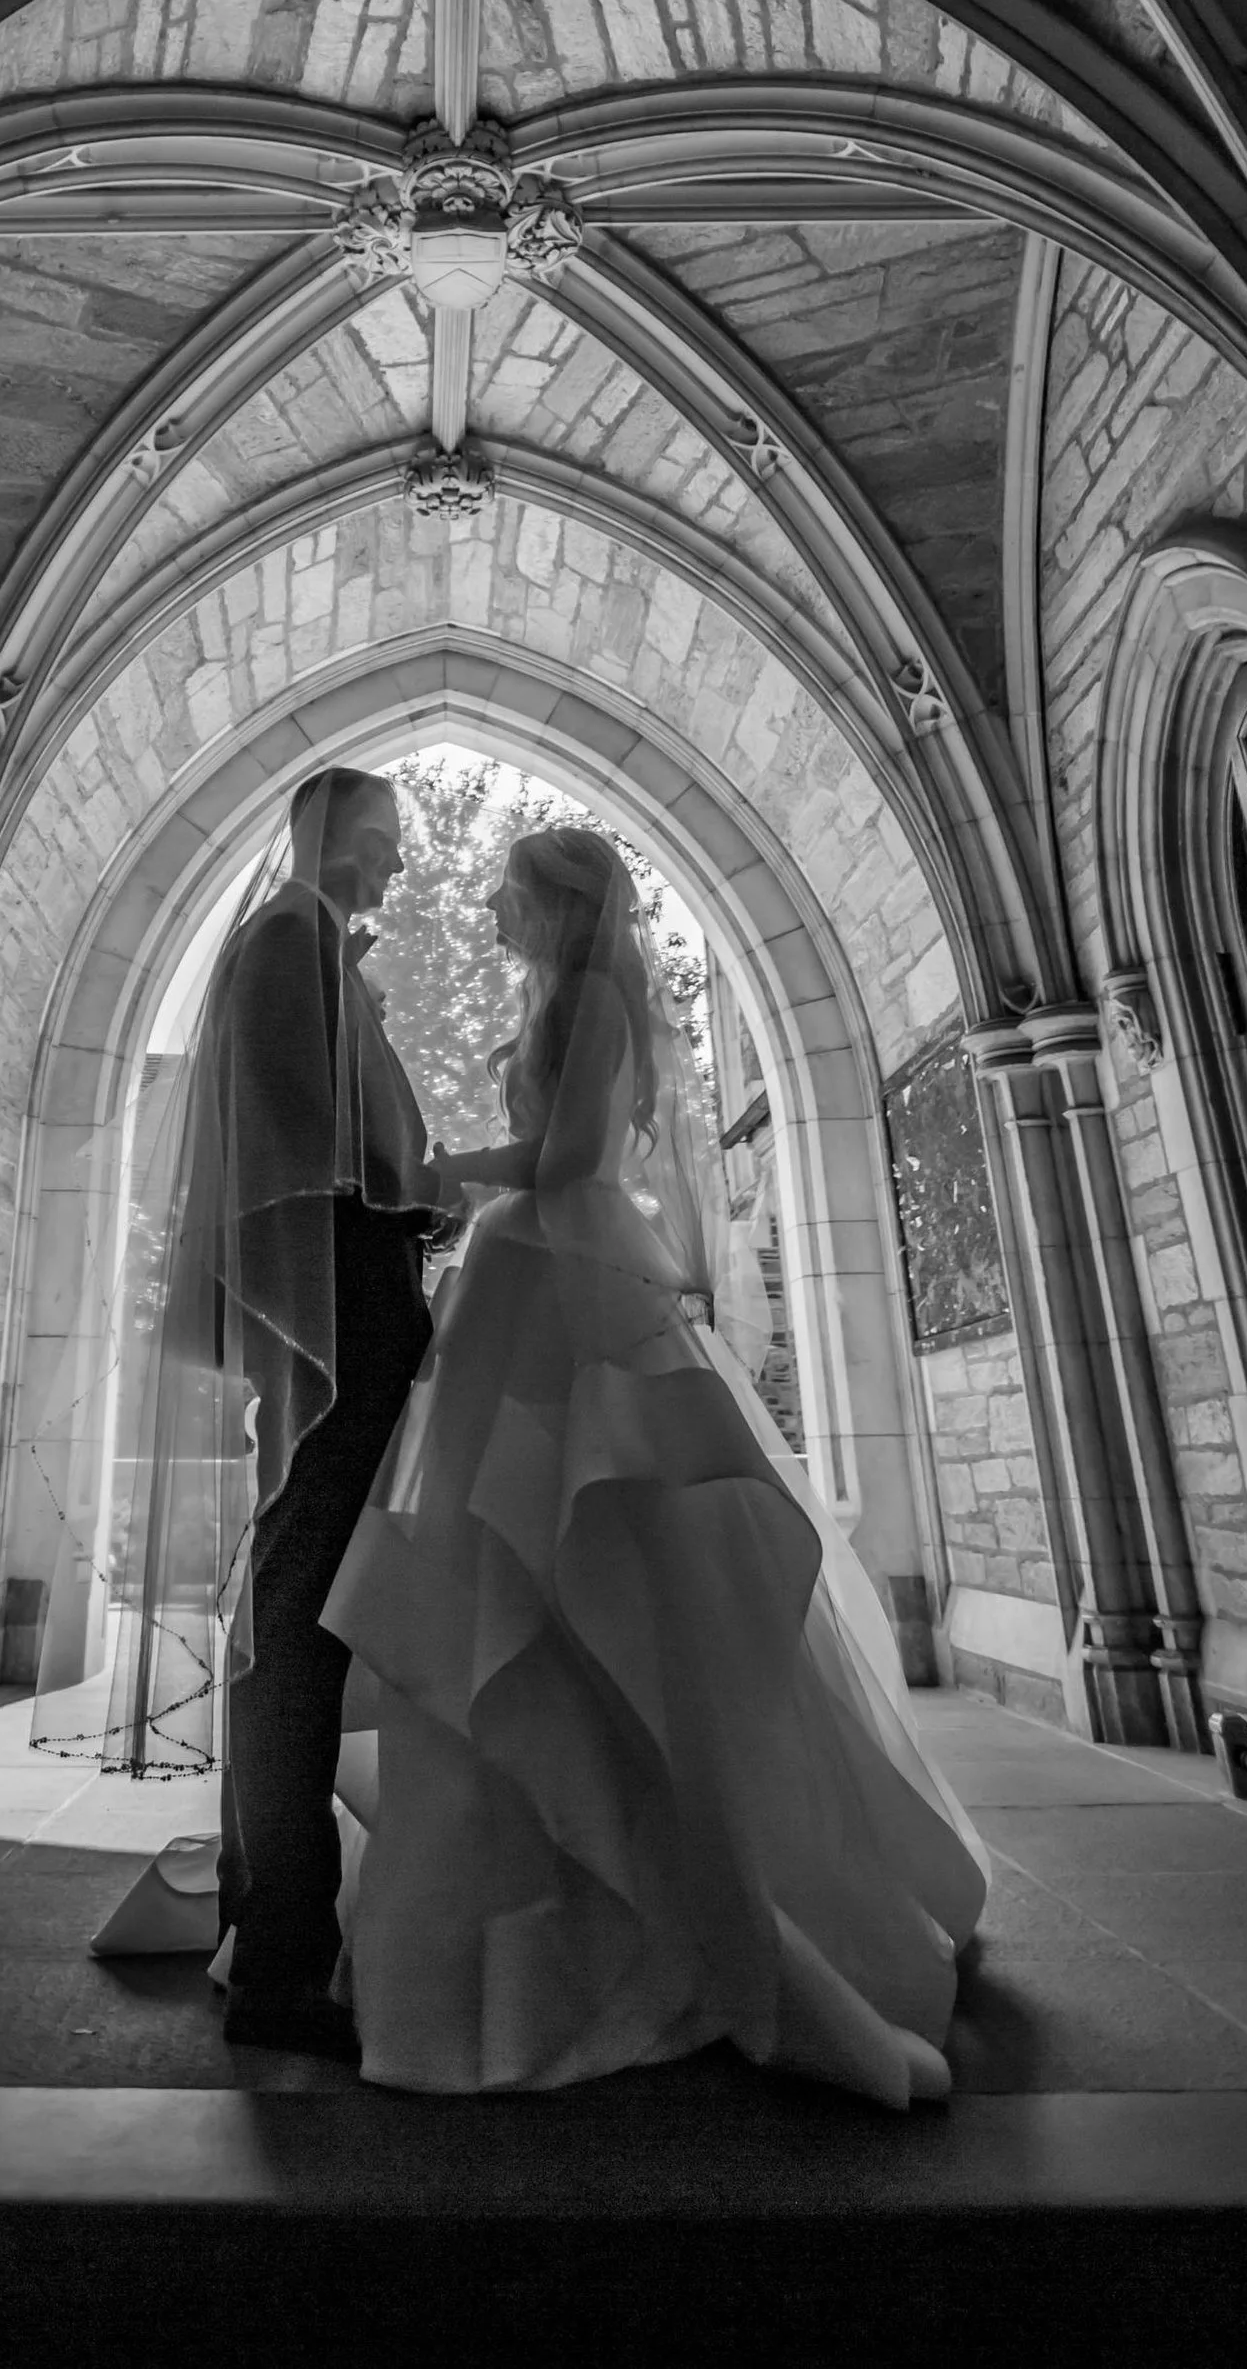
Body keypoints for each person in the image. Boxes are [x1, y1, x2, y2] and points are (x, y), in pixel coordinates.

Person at [321, 824, 989, 2103]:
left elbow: (571, 1160)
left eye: (511, 899)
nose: (498, 918)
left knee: (570, 1546)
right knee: (520, 1554)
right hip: (531, 1274)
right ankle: (553, 1872)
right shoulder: (565, 995)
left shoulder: (589, 1002)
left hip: (558, 1275)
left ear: (563, 906)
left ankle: (643, 1903)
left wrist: (440, 1168)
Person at [201, 766, 456, 2060]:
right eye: (386, 844)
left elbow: (341, 1136)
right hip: (342, 1317)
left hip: (351, 1304)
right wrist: (424, 1194)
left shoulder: (313, 946)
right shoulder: (289, 935)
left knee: (300, 1608)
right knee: (299, 1619)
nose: (401, 869)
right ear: (326, 836)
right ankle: (283, 1961)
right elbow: (305, 1138)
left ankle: (268, 1921)